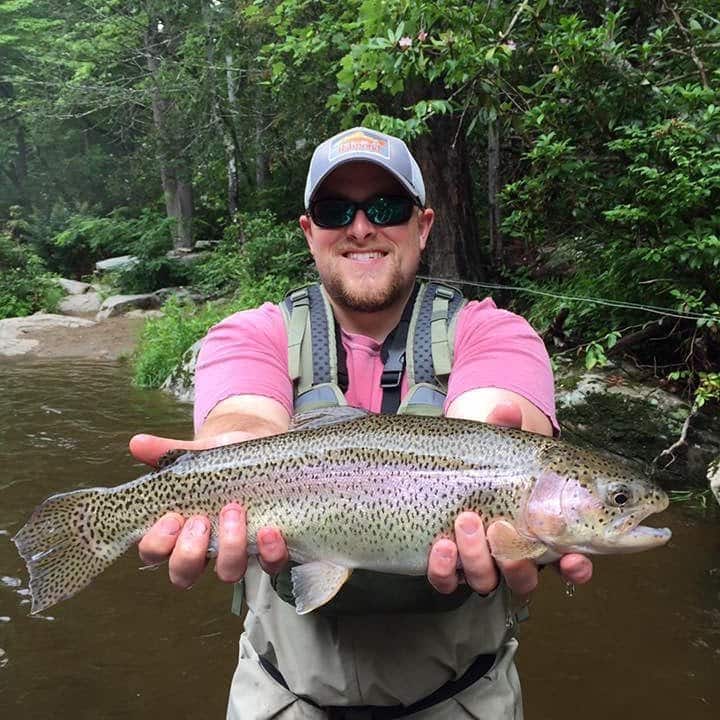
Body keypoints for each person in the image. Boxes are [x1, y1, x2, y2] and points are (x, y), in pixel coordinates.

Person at [130, 126, 593, 719]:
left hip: (462, 699)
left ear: (422, 226)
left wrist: (496, 438)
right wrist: (229, 449)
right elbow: (243, 417)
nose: (360, 226)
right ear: (309, 232)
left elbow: (497, 411)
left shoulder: (493, 331)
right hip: (285, 697)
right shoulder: (252, 334)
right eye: (334, 210)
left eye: (386, 207)